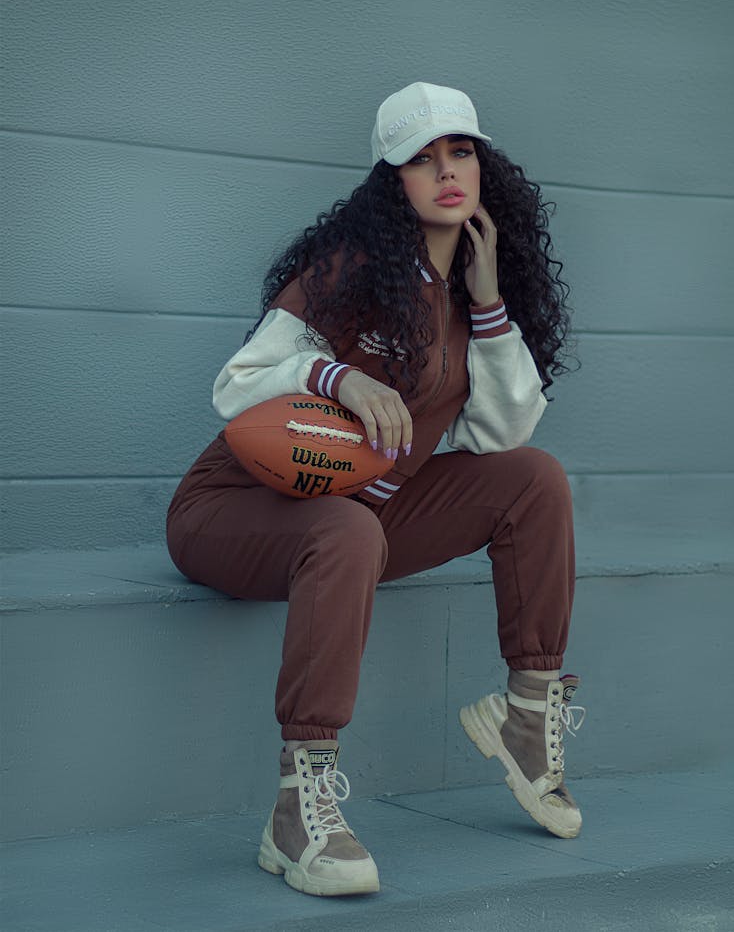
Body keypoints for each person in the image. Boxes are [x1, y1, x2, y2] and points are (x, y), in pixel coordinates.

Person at [166, 81, 584, 898]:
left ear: (483, 164)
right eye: (421, 161)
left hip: (359, 518)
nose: (446, 171)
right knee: (347, 533)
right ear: (392, 183)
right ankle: (298, 807)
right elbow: (237, 383)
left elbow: (502, 434)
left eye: (460, 151)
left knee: (535, 480)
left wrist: (492, 298)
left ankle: (527, 716)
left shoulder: (470, 294)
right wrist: (336, 377)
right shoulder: (353, 268)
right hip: (232, 511)